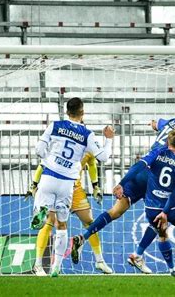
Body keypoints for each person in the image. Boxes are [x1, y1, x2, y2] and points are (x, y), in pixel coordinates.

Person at [69, 108, 175, 274]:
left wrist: (121, 183)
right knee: (161, 218)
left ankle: (83, 237)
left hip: (143, 171)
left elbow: (156, 124)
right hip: (157, 174)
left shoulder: (172, 121)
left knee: (115, 211)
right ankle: (140, 255)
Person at [30, 97, 114, 277]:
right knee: (62, 225)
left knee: (48, 221)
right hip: (68, 184)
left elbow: (39, 151)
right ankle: (55, 267)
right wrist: (108, 140)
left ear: (66, 112)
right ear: (82, 113)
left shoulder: (55, 126)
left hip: (51, 175)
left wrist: (45, 163)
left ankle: (40, 209)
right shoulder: (87, 136)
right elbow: (102, 158)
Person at [29, 152, 112, 276]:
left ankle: (99, 260)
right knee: (49, 223)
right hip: (57, 188)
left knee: (90, 222)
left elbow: (92, 163)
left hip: (76, 190)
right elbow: (42, 165)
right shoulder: (60, 143)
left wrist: (95, 186)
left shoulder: (88, 146)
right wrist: (34, 184)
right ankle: (38, 264)